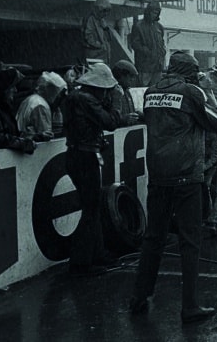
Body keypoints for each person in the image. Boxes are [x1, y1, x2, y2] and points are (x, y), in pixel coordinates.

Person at [129, 52, 217, 323]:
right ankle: (190, 306)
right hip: (186, 176)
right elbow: (215, 123)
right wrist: (205, 90)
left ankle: (139, 297)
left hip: (158, 175)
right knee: (190, 242)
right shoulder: (191, 92)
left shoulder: (151, 91)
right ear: (189, 72)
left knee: (153, 239)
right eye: (195, 72)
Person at [63, 63, 121, 276]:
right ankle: (81, 261)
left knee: (92, 207)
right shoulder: (85, 100)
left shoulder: (76, 97)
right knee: (90, 209)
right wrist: (114, 103)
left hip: (80, 153)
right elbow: (111, 122)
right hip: (84, 156)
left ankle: (96, 253)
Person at [15, 71, 67, 142]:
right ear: (51, 90)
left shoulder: (32, 99)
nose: (59, 96)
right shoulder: (41, 105)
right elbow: (46, 136)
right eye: (58, 93)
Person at [129, 1, 166, 87]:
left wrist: (163, 51)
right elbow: (135, 44)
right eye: (153, 12)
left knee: (156, 90)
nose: (155, 15)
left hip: (157, 67)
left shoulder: (159, 27)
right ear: (148, 11)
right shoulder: (138, 26)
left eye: (157, 13)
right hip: (144, 67)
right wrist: (148, 53)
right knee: (143, 89)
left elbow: (162, 42)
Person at [82, 0, 112, 65]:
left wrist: (105, 28)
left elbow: (109, 38)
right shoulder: (90, 19)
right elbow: (87, 37)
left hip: (104, 57)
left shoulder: (102, 20)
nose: (105, 14)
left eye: (107, 12)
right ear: (99, 9)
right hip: (94, 57)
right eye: (104, 11)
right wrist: (99, 45)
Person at [111, 60, 141, 126]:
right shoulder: (111, 92)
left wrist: (139, 115)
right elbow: (108, 118)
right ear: (121, 76)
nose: (132, 80)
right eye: (130, 76)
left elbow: (129, 113)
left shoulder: (126, 91)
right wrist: (123, 120)